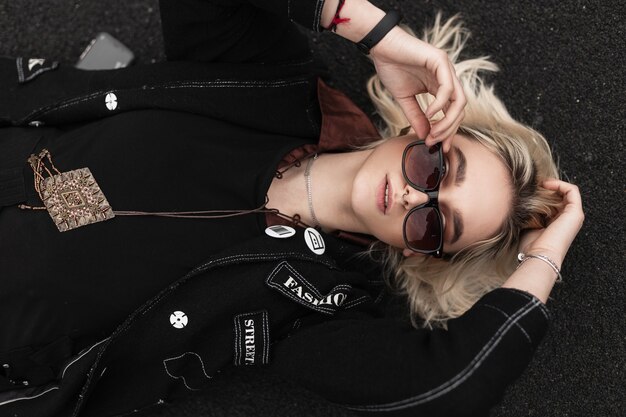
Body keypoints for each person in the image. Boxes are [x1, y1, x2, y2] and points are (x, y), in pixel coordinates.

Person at [0, 0, 584, 416]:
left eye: (435, 222)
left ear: (417, 249)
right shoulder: (270, 82)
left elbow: (454, 386)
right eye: (437, 168)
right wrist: (376, 34)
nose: (413, 195)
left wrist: (545, 257)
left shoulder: (315, 313)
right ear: (424, 125)